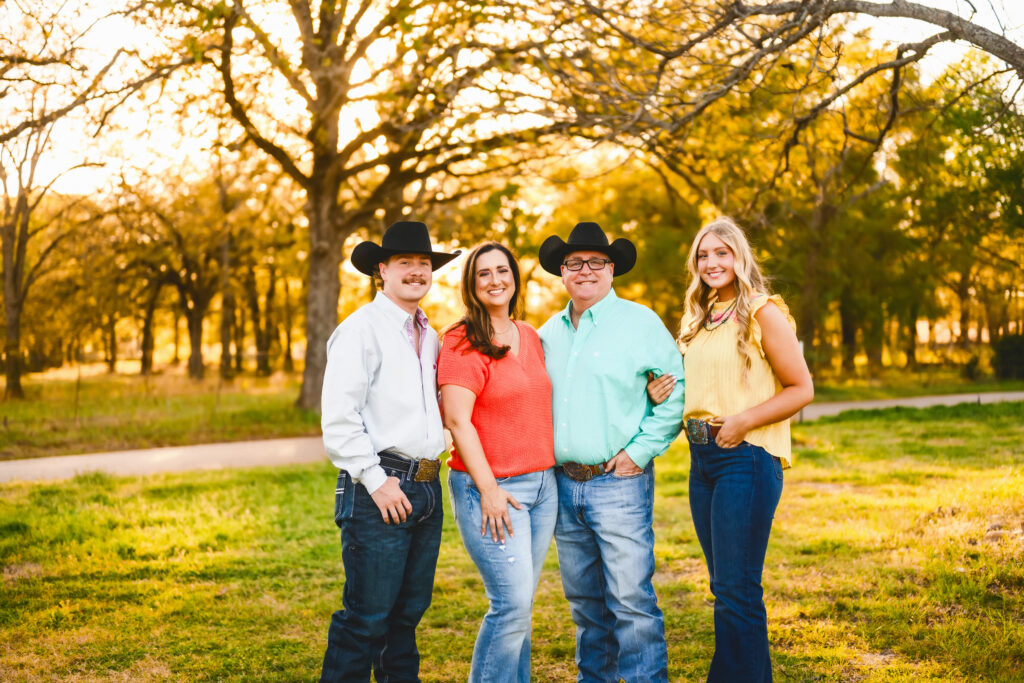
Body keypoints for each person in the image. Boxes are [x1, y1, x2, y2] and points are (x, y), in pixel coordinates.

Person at [538, 221, 685, 683]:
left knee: (631, 601)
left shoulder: (641, 323)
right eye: (574, 263)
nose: (585, 270)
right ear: (562, 272)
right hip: (564, 485)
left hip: (618, 483)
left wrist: (639, 452)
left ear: (612, 269)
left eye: (596, 262)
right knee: (585, 605)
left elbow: (675, 392)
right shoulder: (546, 334)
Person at [318, 220, 461, 683]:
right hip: (380, 485)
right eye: (405, 262)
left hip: (427, 487)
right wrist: (376, 481)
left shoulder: (430, 335)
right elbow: (340, 418)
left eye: (423, 263)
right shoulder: (361, 330)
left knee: (406, 617)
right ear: (382, 270)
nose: (416, 271)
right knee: (366, 618)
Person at [676, 216, 813, 682]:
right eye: (703, 255)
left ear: (739, 256)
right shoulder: (698, 317)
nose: (711, 262)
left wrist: (743, 421)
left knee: (738, 589)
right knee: (725, 587)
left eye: (722, 252)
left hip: (747, 458)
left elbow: (801, 388)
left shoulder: (762, 311)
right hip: (702, 460)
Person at [437, 242, 558, 683]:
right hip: (490, 489)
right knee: (511, 605)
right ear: (471, 284)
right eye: (483, 273)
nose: (495, 280)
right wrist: (489, 489)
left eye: (502, 270)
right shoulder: (461, 340)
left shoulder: (530, 335)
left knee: (521, 606)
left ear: (514, 277)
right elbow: (457, 419)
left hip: (543, 487)